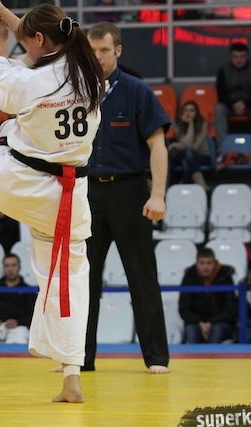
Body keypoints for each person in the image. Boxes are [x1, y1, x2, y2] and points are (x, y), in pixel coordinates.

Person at [0, 1, 103, 402]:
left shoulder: (29, 82)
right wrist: (2, 9)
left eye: (27, 40)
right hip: (70, 196)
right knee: (69, 284)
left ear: (39, 39)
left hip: (18, 184)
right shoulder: (90, 73)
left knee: (4, 131)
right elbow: (39, 38)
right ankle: (72, 376)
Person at [83, 22, 170, 374]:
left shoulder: (136, 90)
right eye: (92, 51)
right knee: (83, 278)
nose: (97, 57)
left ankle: (156, 357)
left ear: (117, 50)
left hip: (129, 190)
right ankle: (78, 358)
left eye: (104, 50)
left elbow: (158, 145)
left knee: (141, 274)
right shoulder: (75, 91)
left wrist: (158, 195)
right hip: (86, 192)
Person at [178, 248, 238, 343]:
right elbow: (184, 309)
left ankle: (213, 353)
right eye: (202, 263)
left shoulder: (225, 277)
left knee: (216, 329)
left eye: (209, 263)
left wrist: (211, 322)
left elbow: (230, 309)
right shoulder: (189, 277)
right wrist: (200, 322)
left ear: (214, 263)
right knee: (191, 330)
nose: (206, 267)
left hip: (220, 323)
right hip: (196, 323)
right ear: (196, 264)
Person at [214, 42, 251, 147]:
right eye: (235, 57)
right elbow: (221, 94)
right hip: (229, 105)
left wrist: (245, 104)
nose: (239, 60)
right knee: (219, 109)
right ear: (230, 57)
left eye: (242, 56)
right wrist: (233, 105)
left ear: (247, 57)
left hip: (250, 105)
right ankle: (221, 146)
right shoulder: (223, 70)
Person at [168, 100, 212, 191]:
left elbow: (193, 147)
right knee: (187, 154)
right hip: (185, 154)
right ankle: (201, 185)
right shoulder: (178, 126)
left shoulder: (203, 124)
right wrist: (190, 125)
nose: (188, 113)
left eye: (192, 111)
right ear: (182, 112)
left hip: (201, 155)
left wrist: (175, 145)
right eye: (186, 110)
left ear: (196, 113)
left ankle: (185, 185)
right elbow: (187, 145)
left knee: (187, 158)